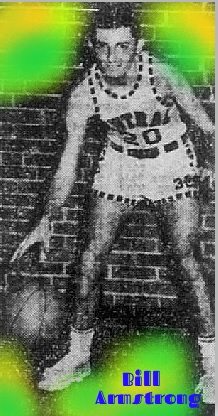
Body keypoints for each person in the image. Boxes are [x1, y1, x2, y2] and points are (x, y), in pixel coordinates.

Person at [11, 3, 215, 400]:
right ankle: (78, 355)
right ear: (93, 47)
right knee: (89, 257)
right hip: (120, 163)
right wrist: (47, 218)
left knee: (186, 256)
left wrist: (211, 163)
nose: (112, 57)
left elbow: (208, 127)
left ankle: (213, 362)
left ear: (137, 45)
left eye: (122, 47)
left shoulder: (163, 75)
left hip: (172, 160)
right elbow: (67, 165)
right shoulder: (84, 94)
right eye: (103, 48)